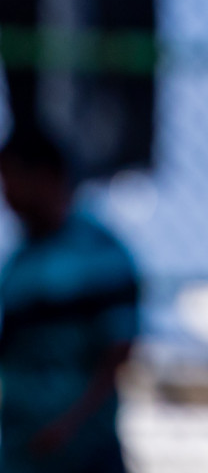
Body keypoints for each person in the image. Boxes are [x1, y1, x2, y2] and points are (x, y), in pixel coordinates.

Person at [0, 130, 139, 473]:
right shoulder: (21, 261)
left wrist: (70, 425)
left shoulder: (98, 253)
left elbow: (118, 352)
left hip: (81, 450)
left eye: (11, 179)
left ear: (45, 177)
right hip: (21, 446)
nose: (7, 195)